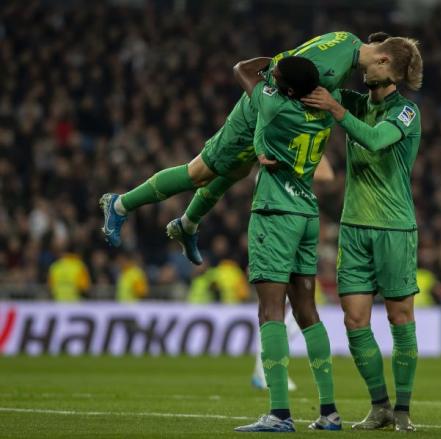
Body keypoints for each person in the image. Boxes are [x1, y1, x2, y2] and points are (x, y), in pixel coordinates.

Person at [100, 32, 412, 265]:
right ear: (383, 60)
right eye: (388, 77)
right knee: (199, 172)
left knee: (234, 171)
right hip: (258, 112)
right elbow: (275, 76)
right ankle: (119, 205)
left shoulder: (347, 41)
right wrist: (262, 139)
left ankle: (187, 224)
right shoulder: (330, 66)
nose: (381, 83)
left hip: (274, 111)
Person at [302, 31, 423, 432]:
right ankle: (380, 406)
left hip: (394, 228)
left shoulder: (405, 112)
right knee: (354, 321)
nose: (361, 61)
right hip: (353, 229)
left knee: (400, 316)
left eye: (370, 57)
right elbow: (319, 87)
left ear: (386, 64)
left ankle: (404, 409)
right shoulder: (355, 102)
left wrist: (335, 108)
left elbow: (373, 140)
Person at [230, 56, 340, 433]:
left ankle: (279, 414)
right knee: (307, 311)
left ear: (289, 89)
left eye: (276, 75)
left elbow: (243, 69)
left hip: (275, 212)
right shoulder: (325, 111)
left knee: (270, 312)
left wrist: (275, 56)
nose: (270, 75)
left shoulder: (275, 106)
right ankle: (329, 412)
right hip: (308, 214)